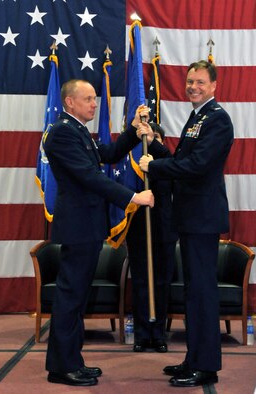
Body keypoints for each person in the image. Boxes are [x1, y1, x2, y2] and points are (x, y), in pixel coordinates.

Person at [43, 79, 154, 387]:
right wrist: (133, 198)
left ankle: (72, 360)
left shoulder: (77, 130)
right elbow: (90, 177)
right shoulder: (63, 133)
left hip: (87, 226)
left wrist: (132, 130)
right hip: (79, 226)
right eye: (89, 99)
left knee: (77, 297)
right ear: (69, 103)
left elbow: (106, 154)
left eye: (94, 98)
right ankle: (62, 367)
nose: (95, 104)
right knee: (70, 296)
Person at [139, 60, 234, 387]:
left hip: (203, 219)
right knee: (193, 292)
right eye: (190, 81)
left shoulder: (218, 120)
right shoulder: (198, 118)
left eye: (200, 82)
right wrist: (153, 142)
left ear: (213, 86)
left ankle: (206, 366)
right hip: (192, 217)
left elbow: (195, 166)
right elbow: (180, 161)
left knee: (203, 293)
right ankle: (193, 358)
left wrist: (155, 167)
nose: (193, 86)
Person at [126, 123, 178, 353]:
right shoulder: (134, 167)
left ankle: (158, 335)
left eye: (154, 137)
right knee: (140, 283)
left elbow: (171, 167)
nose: (149, 141)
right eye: (146, 137)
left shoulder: (168, 164)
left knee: (161, 283)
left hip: (164, 230)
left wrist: (154, 152)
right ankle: (141, 334)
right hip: (139, 230)